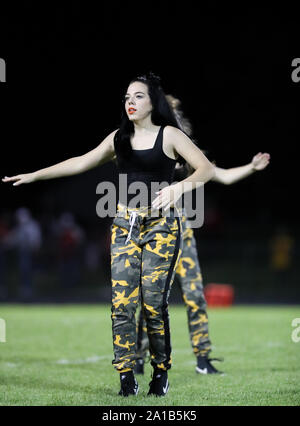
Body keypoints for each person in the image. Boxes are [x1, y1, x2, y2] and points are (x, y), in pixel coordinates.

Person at [2, 73, 216, 397]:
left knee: (154, 303)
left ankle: (160, 370)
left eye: (138, 96)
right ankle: (126, 375)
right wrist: (35, 175)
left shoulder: (170, 135)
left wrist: (179, 187)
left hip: (160, 226)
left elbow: (205, 168)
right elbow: (80, 162)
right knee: (122, 304)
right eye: (127, 97)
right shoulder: (119, 138)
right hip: (125, 225)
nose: (130, 101)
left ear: (152, 102)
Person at [134, 95, 270, 376]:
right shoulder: (143, 148)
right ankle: (137, 356)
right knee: (151, 299)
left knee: (196, 296)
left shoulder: (186, 153)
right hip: (154, 234)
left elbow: (223, 176)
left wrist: (251, 167)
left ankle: (203, 359)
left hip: (182, 235)